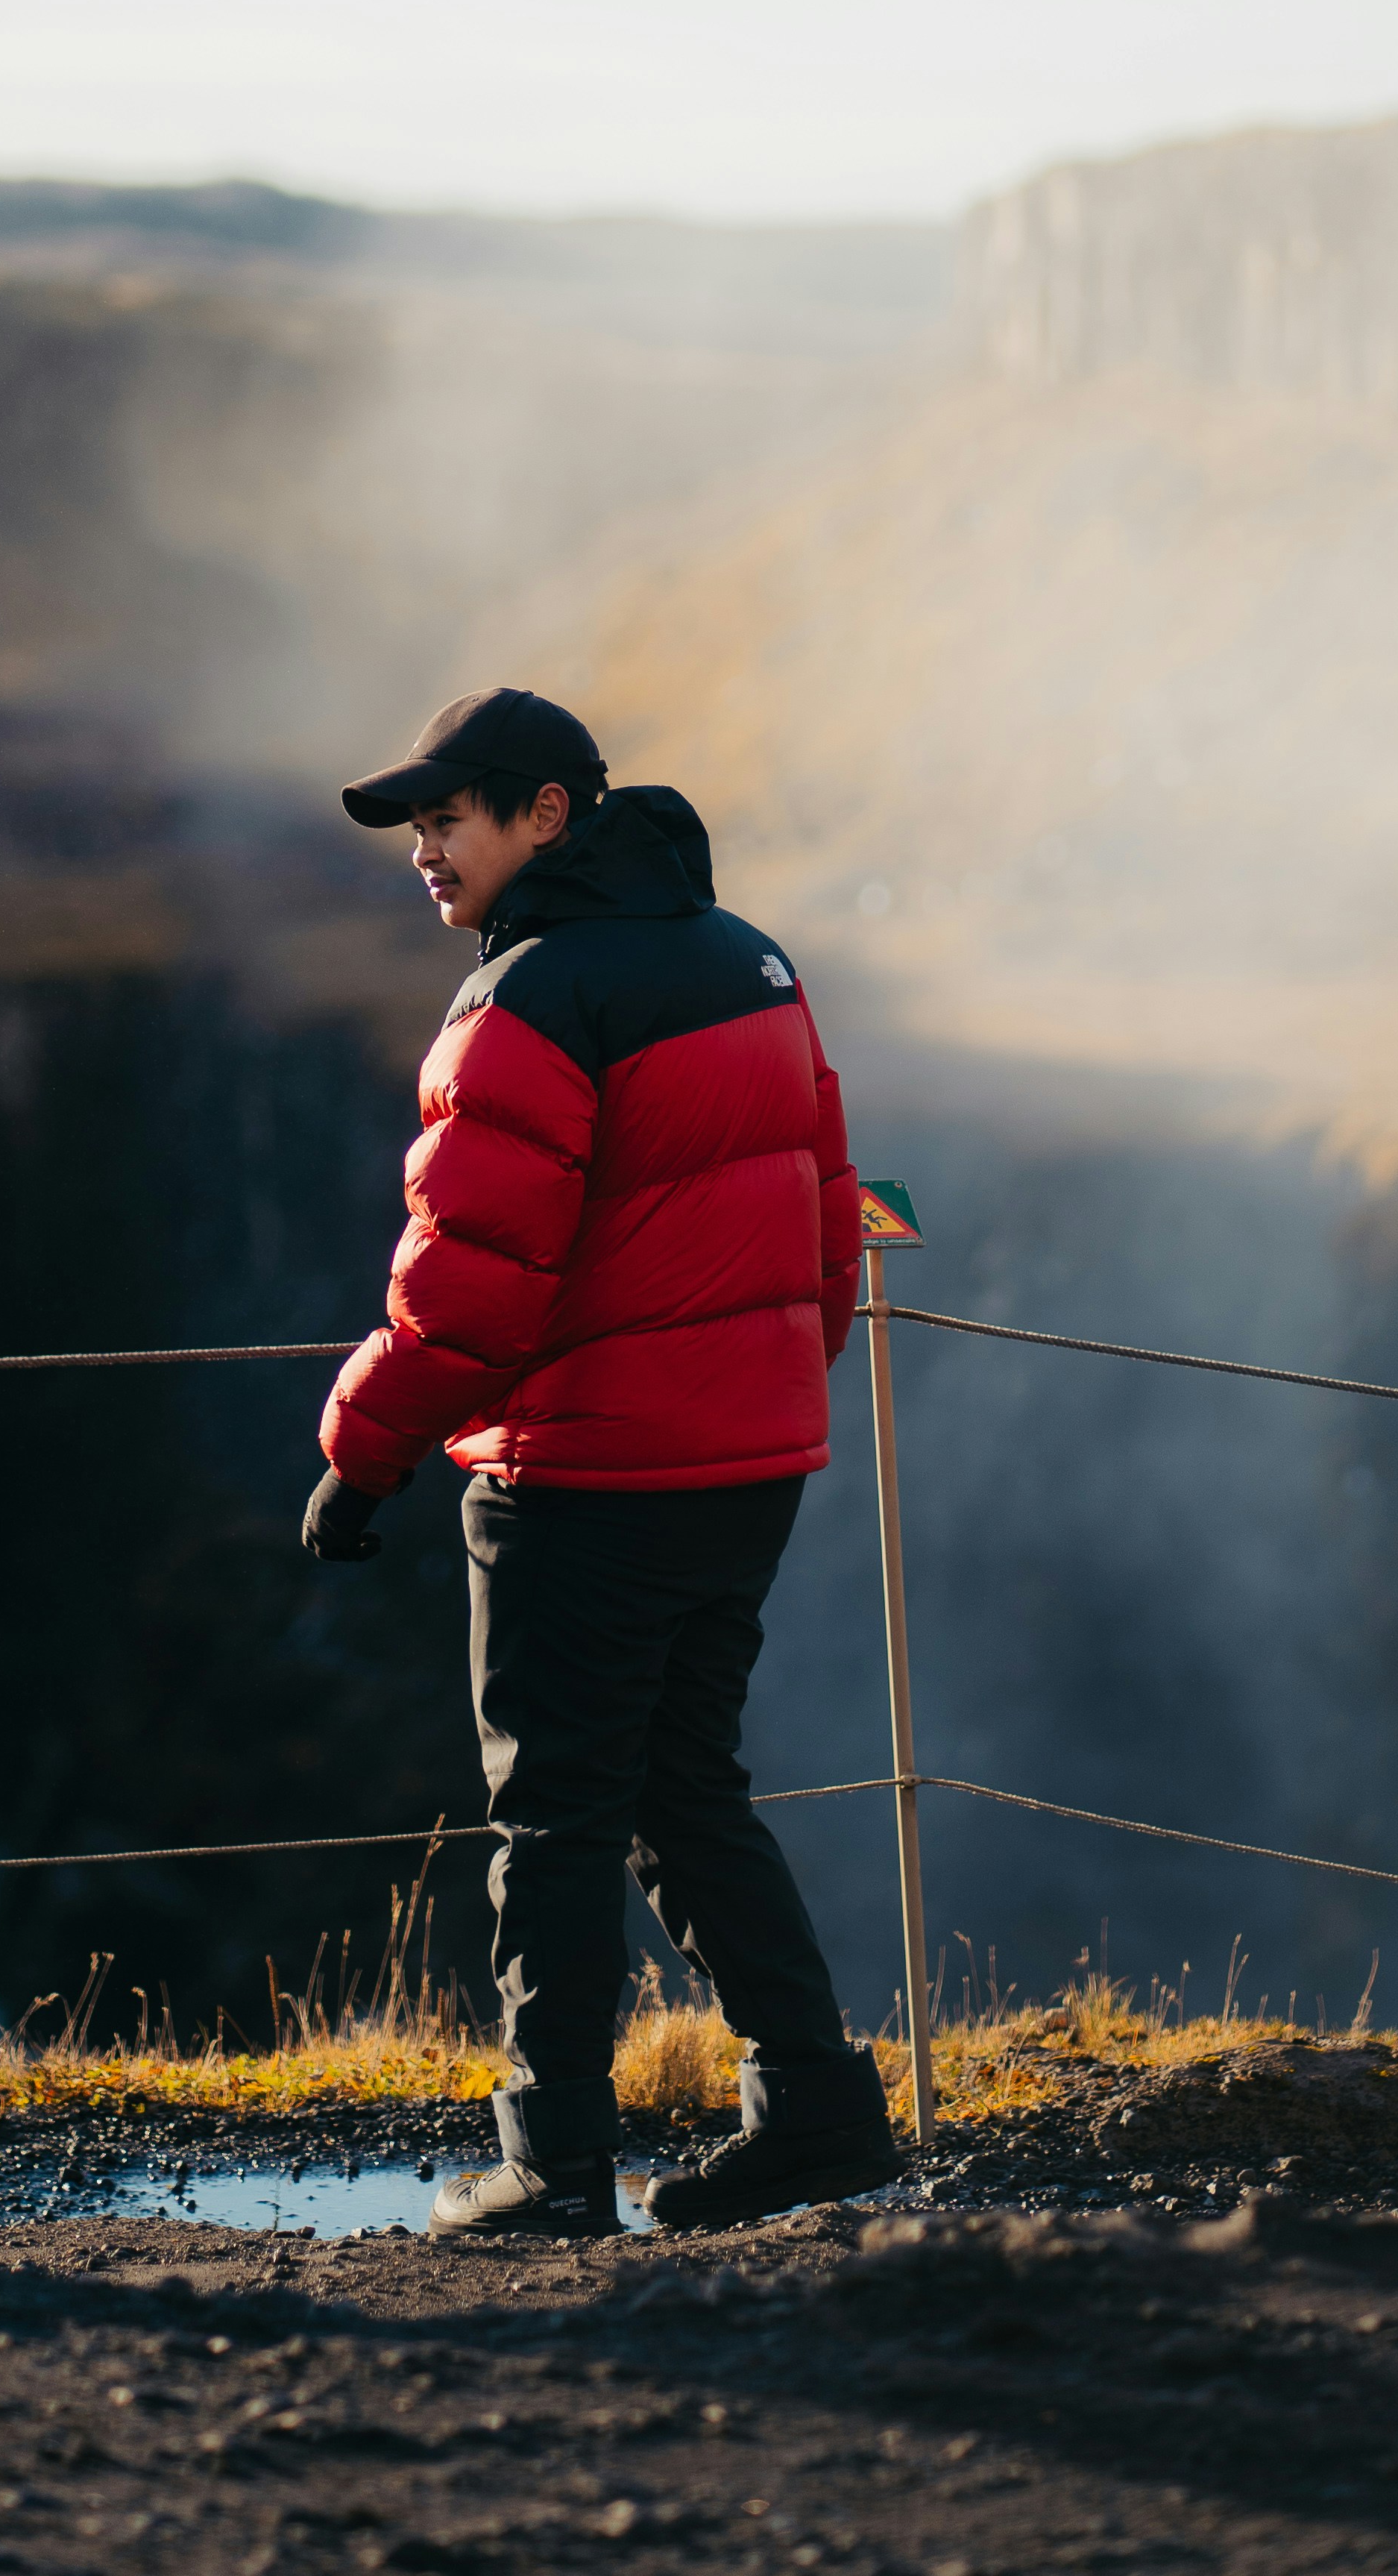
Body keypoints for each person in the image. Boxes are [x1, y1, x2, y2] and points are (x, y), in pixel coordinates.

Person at [303, 684, 903, 2242]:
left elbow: (469, 1284)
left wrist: (360, 1454)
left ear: (547, 816)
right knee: (686, 1789)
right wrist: (763, 1396)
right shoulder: (747, 961)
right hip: (745, 1461)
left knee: (554, 1816)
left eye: (449, 820)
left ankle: (550, 2163)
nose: (425, 853)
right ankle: (818, 2113)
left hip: (580, 1478)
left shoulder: (528, 999)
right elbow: (824, 1211)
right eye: (416, 827)